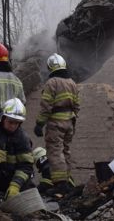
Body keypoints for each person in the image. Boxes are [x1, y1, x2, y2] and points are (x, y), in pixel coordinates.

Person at [33, 53, 80, 196]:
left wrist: (39, 124)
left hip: (56, 123)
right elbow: (77, 105)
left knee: (55, 151)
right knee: (65, 151)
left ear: (51, 67)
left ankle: (60, 185)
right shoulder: (72, 83)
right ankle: (67, 180)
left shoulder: (52, 83)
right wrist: (72, 120)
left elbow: (46, 105)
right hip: (69, 123)